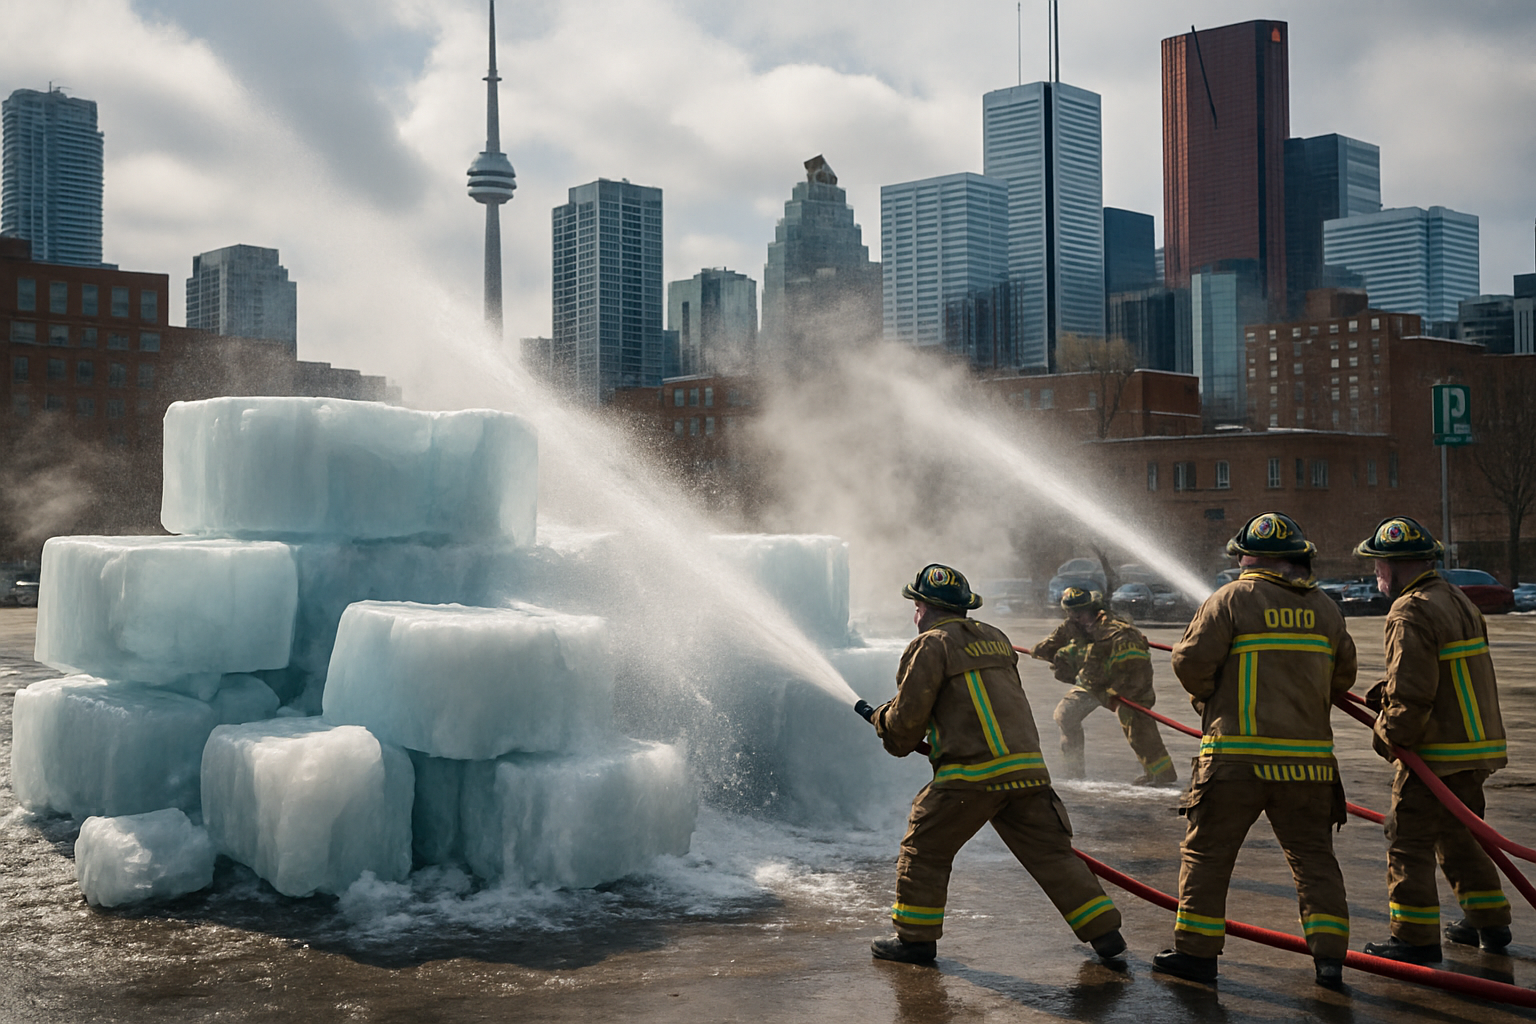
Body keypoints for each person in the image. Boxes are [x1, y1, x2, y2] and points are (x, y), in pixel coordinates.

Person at [866, 563, 1127, 965]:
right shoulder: (995, 638)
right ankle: (1105, 933)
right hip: (1027, 773)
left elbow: (903, 732)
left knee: (924, 850)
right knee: (1053, 855)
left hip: (971, 776)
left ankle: (915, 940)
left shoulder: (929, 645)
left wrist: (882, 718)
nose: (914, 614)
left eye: (915, 605)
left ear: (923, 607)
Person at [1154, 512, 1357, 987]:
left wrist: (1209, 697)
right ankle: (1329, 960)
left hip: (1235, 760)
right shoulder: (1326, 609)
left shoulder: (1232, 598)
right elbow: (1343, 677)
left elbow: (1190, 662)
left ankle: (1198, 954)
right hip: (1308, 768)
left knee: (1207, 854)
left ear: (1250, 556)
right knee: (1314, 861)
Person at [1354, 516, 1511, 963]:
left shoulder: (1410, 609)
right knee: (1461, 837)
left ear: (1397, 566)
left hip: (1436, 751)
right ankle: (1489, 921)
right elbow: (1443, 673)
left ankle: (1414, 939)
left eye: (1377, 566)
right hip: (1474, 747)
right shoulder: (1455, 600)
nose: (1374, 575)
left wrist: (1388, 736)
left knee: (1407, 839)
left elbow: (1413, 695)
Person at [1032, 587, 1177, 786]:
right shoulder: (1073, 625)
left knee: (1138, 729)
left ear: (1088, 610)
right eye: (1069, 613)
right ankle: (1073, 772)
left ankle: (1161, 774)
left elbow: (1136, 666)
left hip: (1124, 687)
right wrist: (1052, 654)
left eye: (1076, 613)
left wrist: (1125, 695)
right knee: (1065, 714)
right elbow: (1046, 647)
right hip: (1092, 684)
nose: (1072, 617)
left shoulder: (1118, 631)